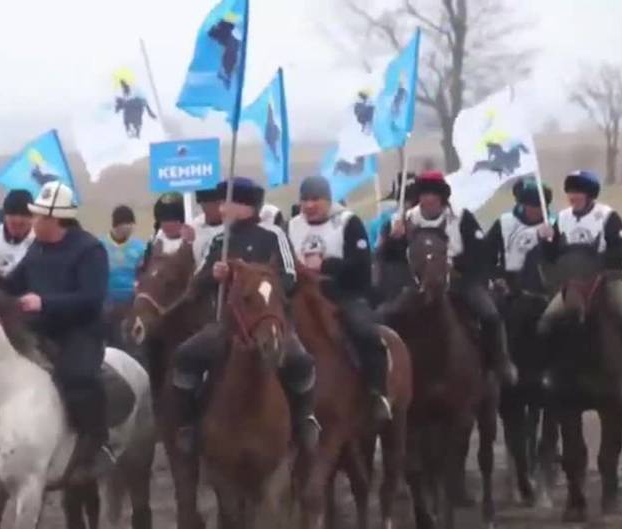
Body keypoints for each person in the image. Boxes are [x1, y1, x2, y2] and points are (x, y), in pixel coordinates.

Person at [170, 177, 319, 455]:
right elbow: (197, 284)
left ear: (244, 206)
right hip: (227, 327)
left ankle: (304, 420)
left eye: (226, 202)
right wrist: (211, 275)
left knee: (301, 361)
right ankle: (188, 424)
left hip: (270, 324)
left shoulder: (273, 235)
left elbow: (289, 277)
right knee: (185, 356)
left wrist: (248, 278)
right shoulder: (219, 241)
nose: (221, 209)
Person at [0, 181, 112, 479]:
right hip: (38, 328)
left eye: (36, 217)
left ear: (54, 220)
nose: (31, 222)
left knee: (78, 377)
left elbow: (92, 298)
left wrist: (43, 302)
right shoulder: (38, 247)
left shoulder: (90, 249)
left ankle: (95, 443)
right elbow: (13, 283)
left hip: (80, 331)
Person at [381, 171, 517, 385]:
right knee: (385, 316)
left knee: (489, 314)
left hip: (459, 281)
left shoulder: (462, 217)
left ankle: (499, 362)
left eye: (433, 194)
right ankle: (386, 371)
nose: (428, 199)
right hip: (417, 283)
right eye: (424, 194)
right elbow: (388, 257)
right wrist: (392, 239)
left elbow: (480, 253)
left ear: (442, 197)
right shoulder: (403, 221)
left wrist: (459, 269)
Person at [288, 176, 391, 423]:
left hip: (343, 294)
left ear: (327, 200)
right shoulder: (291, 225)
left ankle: (377, 392)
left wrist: (326, 264)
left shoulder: (348, 223)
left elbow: (361, 265)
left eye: (315, 199)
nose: (309, 205)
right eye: (305, 200)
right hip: (300, 294)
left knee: (364, 331)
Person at [537, 170, 622, 333]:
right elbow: (551, 256)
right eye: (570, 192)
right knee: (546, 322)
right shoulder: (562, 218)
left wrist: (597, 259)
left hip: (609, 279)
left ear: (589, 195)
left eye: (577, 192)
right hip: (573, 283)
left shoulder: (607, 215)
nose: (572, 196)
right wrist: (545, 240)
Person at [487, 177, 553, 295]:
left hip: (543, 292)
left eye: (538, 207)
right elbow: (485, 255)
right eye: (529, 206)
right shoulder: (504, 223)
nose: (533, 211)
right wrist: (495, 277)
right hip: (507, 289)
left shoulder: (554, 227)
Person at [101, 205, 146, 347]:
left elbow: (143, 273)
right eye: (126, 224)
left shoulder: (140, 248)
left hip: (130, 304)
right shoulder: (100, 245)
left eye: (131, 224)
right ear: (117, 224)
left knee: (128, 343)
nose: (129, 228)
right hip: (106, 303)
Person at [190, 186, 224, 269]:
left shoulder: (235, 226)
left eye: (221, 202)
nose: (219, 206)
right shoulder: (193, 227)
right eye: (213, 203)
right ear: (202, 204)